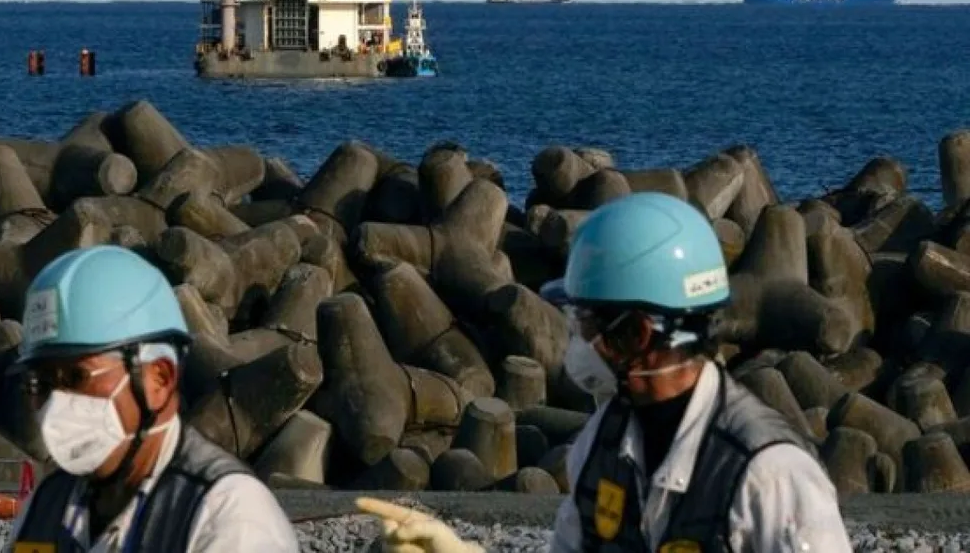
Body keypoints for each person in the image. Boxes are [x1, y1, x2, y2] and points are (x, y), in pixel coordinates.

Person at [358, 192, 853, 553]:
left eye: (585, 319)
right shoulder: (603, 441)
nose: (573, 336)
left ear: (635, 333)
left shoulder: (767, 475)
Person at [4, 244, 299, 553]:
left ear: (160, 378)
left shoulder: (225, 513)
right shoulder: (46, 505)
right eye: (40, 384)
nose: (56, 405)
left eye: (77, 377)